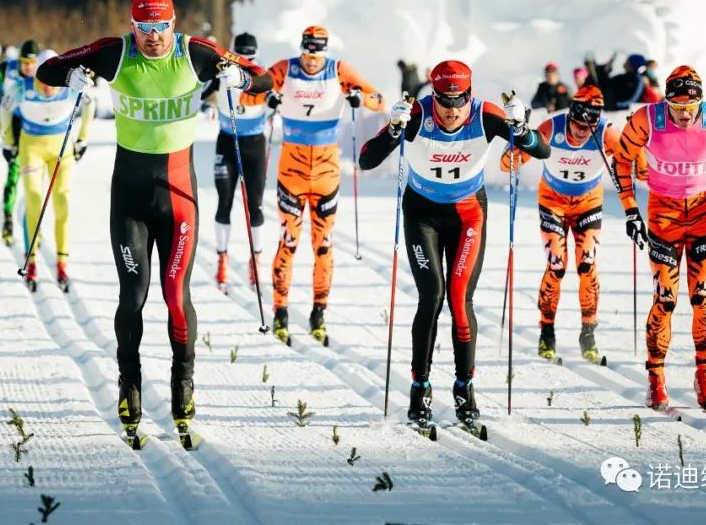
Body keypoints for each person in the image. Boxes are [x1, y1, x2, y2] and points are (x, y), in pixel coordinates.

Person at [35, 0, 272, 437]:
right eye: (144, 28)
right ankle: (130, 386)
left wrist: (240, 80)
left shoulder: (196, 53)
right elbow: (49, 68)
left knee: (175, 293)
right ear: (133, 26)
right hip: (129, 195)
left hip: (179, 195)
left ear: (173, 23)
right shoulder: (114, 53)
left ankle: (183, 383)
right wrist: (71, 79)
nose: (153, 38)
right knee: (133, 294)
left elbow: (262, 78)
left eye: (160, 27)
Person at [359, 60, 549, 429]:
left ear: (469, 96)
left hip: (467, 216)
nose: (450, 110)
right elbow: (367, 160)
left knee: (460, 300)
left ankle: (465, 390)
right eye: (442, 101)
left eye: (457, 101)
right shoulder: (416, 114)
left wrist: (522, 128)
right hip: (422, 215)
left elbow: (541, 151)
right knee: (431, 296)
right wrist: (394, 130)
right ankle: (420, 389)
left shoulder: (485, 115)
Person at [612, 65, 706, 412]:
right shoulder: (648, 119)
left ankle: (704, 376)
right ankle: (656, 380)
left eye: (690, 107)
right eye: (677, 108)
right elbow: (621, 160)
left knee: (702, 296)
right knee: (665, 298)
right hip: (664, 214)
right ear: (666, 102)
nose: (685, 114)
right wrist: (631, 210)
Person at [500, 85, 644, 363]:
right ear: (570, 117)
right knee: (556, 266)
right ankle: (547, 332)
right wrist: (517, 137)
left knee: (587, 266)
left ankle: (588, 333)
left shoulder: (607, 133)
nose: (580, 133)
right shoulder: (551, 129)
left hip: (587, 203)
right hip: (552, 202)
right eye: (577, 125)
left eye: (587, 127)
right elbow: (508, 165)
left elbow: (644, 173)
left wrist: (635, 144)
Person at [261, 25, 384, 346]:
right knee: (288, 242)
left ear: (325, 52)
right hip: (292, 171)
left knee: (324, 246)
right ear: (301, 49)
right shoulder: (284, 69)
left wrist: (360, 97)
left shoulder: (339, 70)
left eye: (317, 53)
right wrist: (267, 96)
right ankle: (280, 313)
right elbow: (252, 90)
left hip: (327, 171)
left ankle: (319, 314)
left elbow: (379, 99)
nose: (312, 60)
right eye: (307, 52)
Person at [1, 49, 94, 291]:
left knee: (62, 201)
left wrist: (82, 139)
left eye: (53, 82)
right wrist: (7, 141)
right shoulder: (23, 87)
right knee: (33, 200)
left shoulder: (70, 85)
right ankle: (31, 262)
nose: (47, 88)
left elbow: (90, 103)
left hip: (61, 151)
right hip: (31, 148)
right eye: (43, 81)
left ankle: (62, 262)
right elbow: (3, 108)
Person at [200, 33, 268, 291]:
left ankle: (256, 260)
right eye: (242, 57)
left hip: (254, 145)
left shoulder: (260, 74)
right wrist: (210, 83)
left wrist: (275, 102)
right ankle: (222, 258)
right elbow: (199, 95)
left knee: (255, 205)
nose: (246, 61)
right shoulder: (222, 72)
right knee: (224, 201)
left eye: (251, 57)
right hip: (227, 142)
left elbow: (270, 88)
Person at [0, 40, 39, 244]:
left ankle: (34, 224)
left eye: (32, 63)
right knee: (15, 172)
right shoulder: (7, 67)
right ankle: (8, 219)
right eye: (24, 62)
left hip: (34, 124)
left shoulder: (43, 70)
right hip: (13, 123)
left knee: (34, 176)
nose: (28, 67)